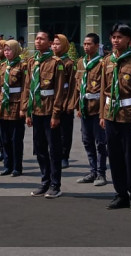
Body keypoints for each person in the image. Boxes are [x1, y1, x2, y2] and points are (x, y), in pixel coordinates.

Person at [101, 23, 131, 212]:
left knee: (130, 158)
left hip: (128, 117)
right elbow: (105, 90)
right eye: (113, 37)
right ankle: (120, 194)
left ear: (129, 40)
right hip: (111, 116)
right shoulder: (107, 61)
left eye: (120, 37)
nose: (115, 40)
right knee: (114, 157)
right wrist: (102, 115)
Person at [24, 31, 66, 199]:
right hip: (36, 111)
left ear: (49, 43)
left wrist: (56, 114)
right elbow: (28, 87)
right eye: (36, 38)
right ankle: (45, 181)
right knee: (40, 148)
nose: (38, 41)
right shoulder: (32, 62)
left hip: (50, 111)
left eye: (42, 39)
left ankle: (56, 184)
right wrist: (27, 111)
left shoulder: (56, 63)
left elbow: (59, 91)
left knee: (53, 149)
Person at [75, 33, 107, 187]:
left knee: (101, 142)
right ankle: (92, 170)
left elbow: (105, 89)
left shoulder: (102, 63)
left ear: (97, 45)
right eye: (84, 44)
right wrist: (78, 107)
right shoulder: (81, 63)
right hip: (85, 108)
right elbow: (78, 87)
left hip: (97, 108)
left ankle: (101, 173)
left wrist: (103, 112)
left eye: (89, 44)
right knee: (87, 141)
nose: (86, 46)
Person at [0, 39, 26, 177]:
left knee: (16, 139)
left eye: (9, 50)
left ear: (16, 51)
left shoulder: (22, 66)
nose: (7, 53)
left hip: (15, 103)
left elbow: (26, 87)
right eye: (5, 50)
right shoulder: (2, 66)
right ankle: (7, 165)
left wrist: (23, 107)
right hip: (3, 105)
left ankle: (17, 167)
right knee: (5, 138)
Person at [53, 34, 76, 169]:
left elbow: (73, 85)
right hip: (51, 102)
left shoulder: (68, 63)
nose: (55, 46)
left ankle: (64, 156)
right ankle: (55, 155)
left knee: (65, 132)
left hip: (65, 100)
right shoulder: (50, 61)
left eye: (58, 43)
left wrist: (70, 103)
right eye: (54, 43)